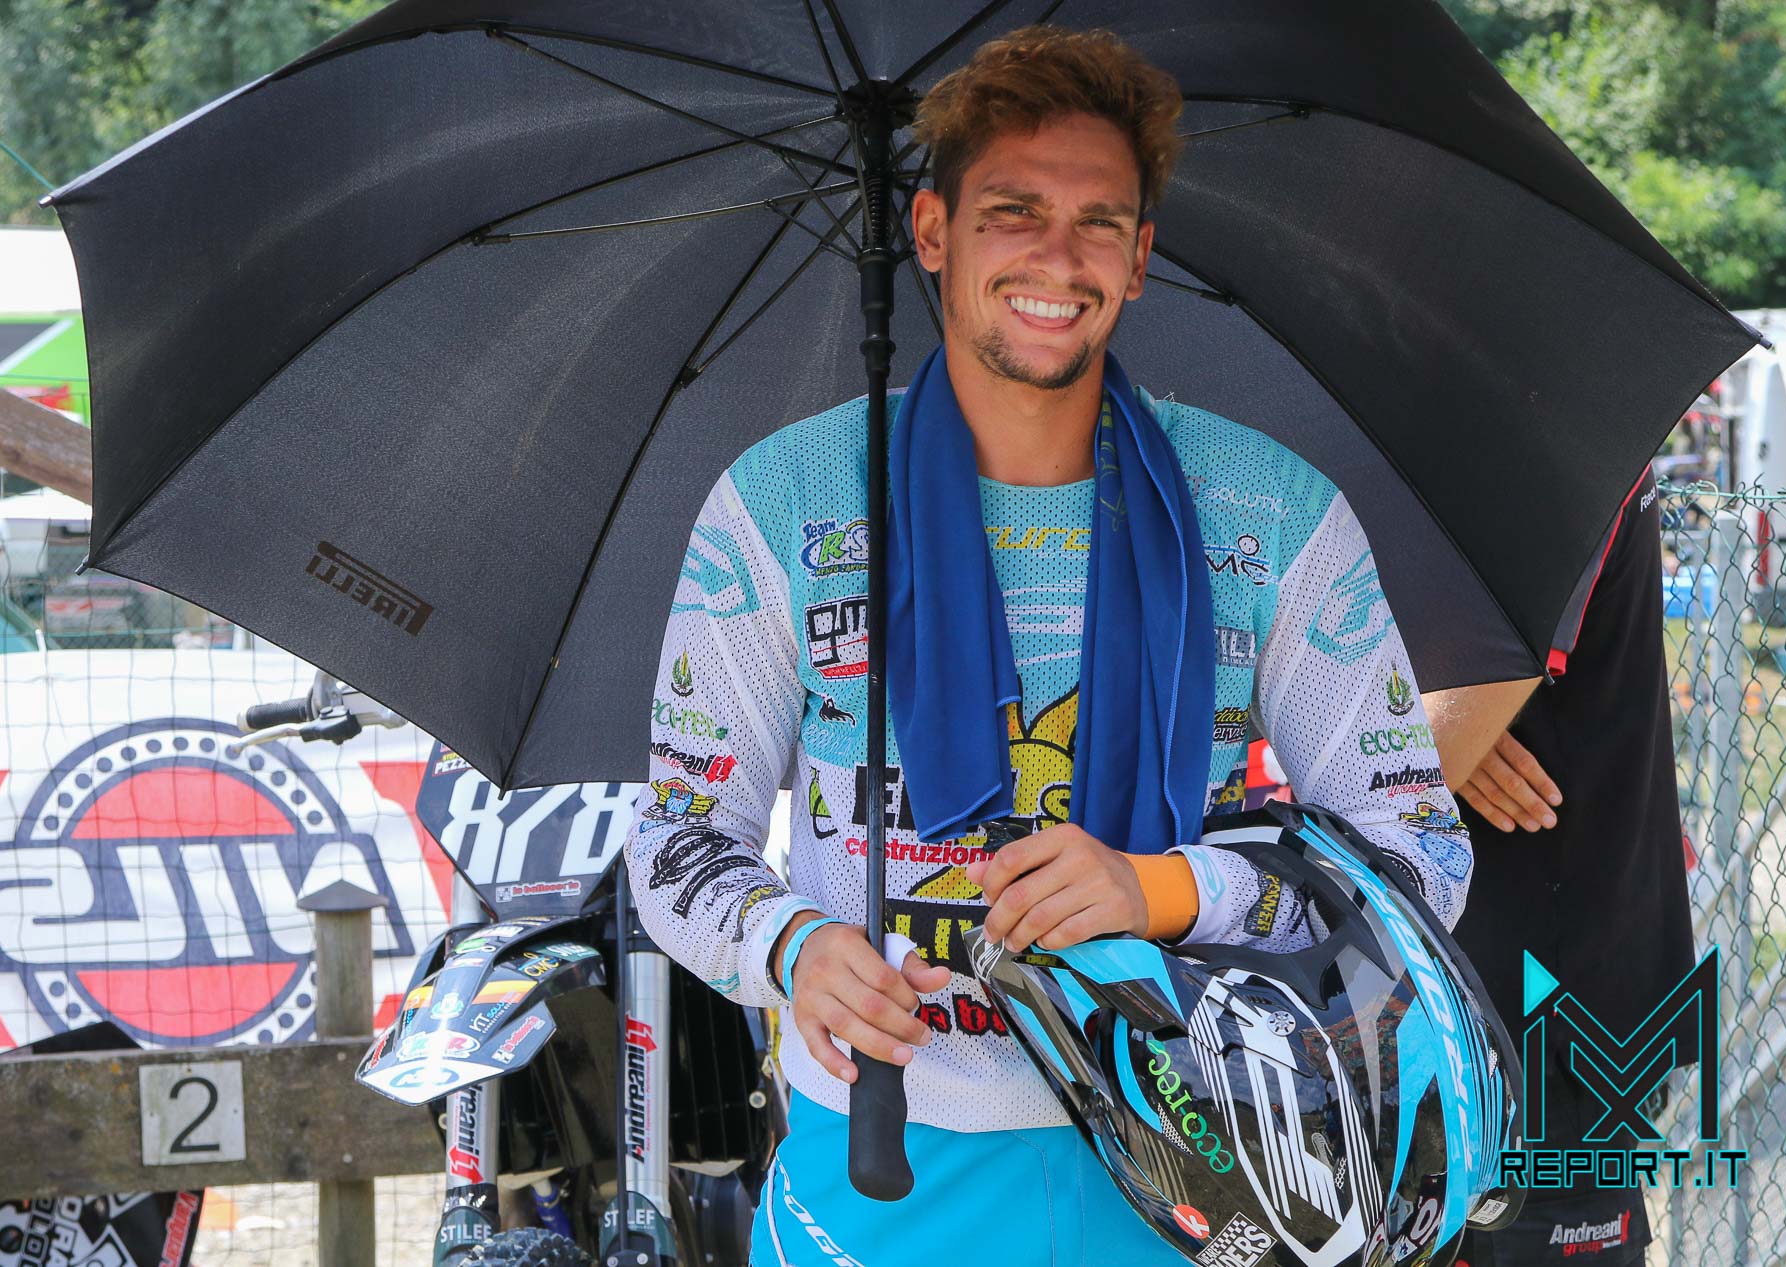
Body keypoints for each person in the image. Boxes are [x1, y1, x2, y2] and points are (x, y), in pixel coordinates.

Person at [625, 26, 1473, 1266]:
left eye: (1097, 224)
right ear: (931, 234)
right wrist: (789, 946)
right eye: (1013, 212)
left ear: (1138, 259)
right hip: (882, 1168)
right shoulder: (783, 499)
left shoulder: (1274, 511)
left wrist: (1161, 889)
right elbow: (674, 837)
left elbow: (1418, 856)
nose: (1057, 259)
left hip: (1206, 1166)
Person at [1426, 469, 1695, 1267]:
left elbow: (1462, 707)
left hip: (1554, 1006)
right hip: (1476, 995)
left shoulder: (1564, 443)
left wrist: (1416, 724)